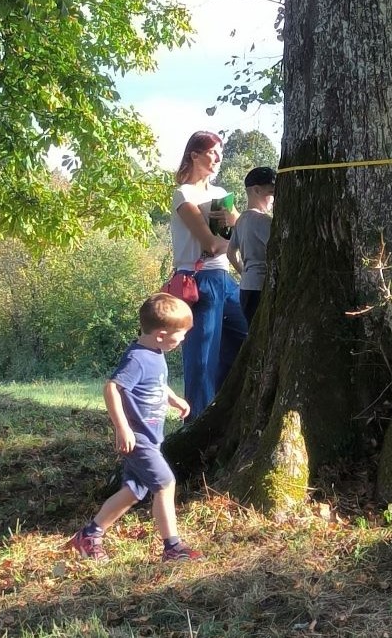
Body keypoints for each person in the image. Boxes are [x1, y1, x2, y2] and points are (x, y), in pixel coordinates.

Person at [68, 293, 202, 562]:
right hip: (138, 438)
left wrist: (173, 398)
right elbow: (112, 388)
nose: (183, 339)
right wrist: (123, 428)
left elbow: (154, 384)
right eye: (181, 335)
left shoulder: (155, 352)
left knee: (133, 491)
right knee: (165, 483)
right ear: (162, 334)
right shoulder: (138, 358)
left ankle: (89, 535)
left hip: (151, 438)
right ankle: (172, 547)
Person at [171, 131, 249, 420]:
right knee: (201, 361)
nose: (218, 159)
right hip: (197, 281)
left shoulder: (218, 195)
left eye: (221, 154)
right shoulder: (184, 194)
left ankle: (225, 415)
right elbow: (212, 244)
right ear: (194, 155)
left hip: (225, 280)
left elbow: (235, 236)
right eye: (213, 152)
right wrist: (235, 241)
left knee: (248, 340)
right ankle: (196, 425)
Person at [227, 166, 276, 324]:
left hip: (246, 286)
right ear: (256, 190)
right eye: (271, 192)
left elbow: (230, 253)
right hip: (262, 286)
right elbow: (277, 249)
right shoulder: (263, 220)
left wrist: (245, 273)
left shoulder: (241, 219)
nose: (274, 198)